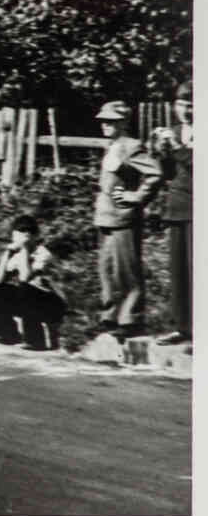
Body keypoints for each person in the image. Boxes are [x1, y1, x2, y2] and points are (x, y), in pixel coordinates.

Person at [93, 100, 162, 340]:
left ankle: (131, 319)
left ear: (123, 122)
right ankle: (109, 316)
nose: (105, 125)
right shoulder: (111, 145)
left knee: (126, 271)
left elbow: (155, 173)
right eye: (103, 121)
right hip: (105, 216)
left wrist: (136, 197)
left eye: (111, 121)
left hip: (123, 216)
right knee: (106, 268)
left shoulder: (131, 146)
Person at [0, 215, 67, 349]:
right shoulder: (16, 254)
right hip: (31, 301)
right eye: (19, 232)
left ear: (35, 236)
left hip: (52, 303)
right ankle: (6, 333)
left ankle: (35, 340)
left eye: (28, 233)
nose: (24, 236)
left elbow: (25, 277)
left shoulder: (43, 254)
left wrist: (24, 249)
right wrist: (8, 252)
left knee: (26, 288)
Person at [153, 81, 193, 346]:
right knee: (178, 271)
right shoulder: (176, 131)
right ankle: (183, 327)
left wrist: (176, 146)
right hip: (177, 206)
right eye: (181, 105)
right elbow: (168, 173)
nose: (186, 111)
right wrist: (161, 150)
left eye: (192, 106)